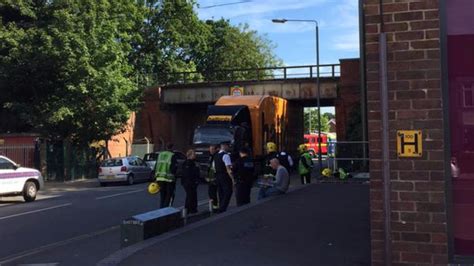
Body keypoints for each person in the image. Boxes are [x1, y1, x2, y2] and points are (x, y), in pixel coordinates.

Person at [155, 144, 178, 208]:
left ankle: (161, 211)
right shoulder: (172, 155)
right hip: (169, 179)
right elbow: (173, 168)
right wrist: (175, 175)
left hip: (160, 178)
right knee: (169, 196)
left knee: (162, 196)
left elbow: (156, 166)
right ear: (172, 148)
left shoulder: (160, 155)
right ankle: (166, 213)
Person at [215, 141, 235, 213]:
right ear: (224, 146)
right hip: (225, 175)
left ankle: (221, 206)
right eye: (227, 146)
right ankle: (223, 208)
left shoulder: (216, 155)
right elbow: (228, 169)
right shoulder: (226, 156)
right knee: (228, 191)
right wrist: (232, 179)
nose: (228, 147)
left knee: (220, 192)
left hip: (218, 175)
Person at [181, 149, 200, 214]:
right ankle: (188, 209)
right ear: (190, 155)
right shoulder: (188, 163)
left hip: (190, 182)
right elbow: (189, 173)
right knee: (190, 196)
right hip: (189, 182)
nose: (195, 155)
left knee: (192, 195)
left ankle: (192, 209)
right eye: (194, 154)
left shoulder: (192, 162)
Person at [206, 144, 220, 211]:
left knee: (214, 193)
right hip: (211, 178)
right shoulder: (211, 156)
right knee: (211, 193)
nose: (210, 151)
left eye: (212, 149)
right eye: (210, 149)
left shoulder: (216, 156)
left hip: (214, 178)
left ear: (215, 149)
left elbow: (214, 168)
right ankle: (214, 207)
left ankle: (215, 207)